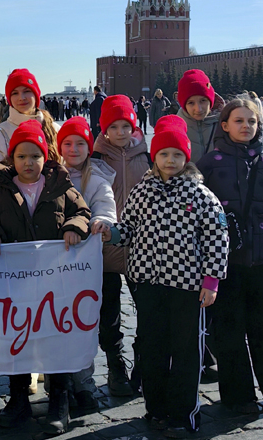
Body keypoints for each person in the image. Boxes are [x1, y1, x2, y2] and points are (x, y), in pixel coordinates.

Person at [102, 114, 229, 437]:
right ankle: (156, 409)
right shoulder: (142, 192)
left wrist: (211, 280)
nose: (170, 160)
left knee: (185, 351)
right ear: (154, 157)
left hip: (187, 285)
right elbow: (129, 228)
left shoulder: (200, 195)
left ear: (186, 158)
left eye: (176, 154)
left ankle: (183, 414)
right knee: (153, 348)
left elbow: (217, 238)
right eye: (163, 154)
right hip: (148, 283)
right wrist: (112, 233)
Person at [0, 120, 90, 434]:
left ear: (45, 157)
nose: (28, 162)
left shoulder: (61, 186)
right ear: (12, 158)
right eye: (22, 156)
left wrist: (73, 227)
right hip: (14, 283)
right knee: (17, 338)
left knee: (55, 338)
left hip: (54, 284)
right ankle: (18, 398)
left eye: (35, 156)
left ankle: (59, 400)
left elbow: (82, 213)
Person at [197, 97, 263, 420]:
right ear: (225, 125)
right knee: (228, 331)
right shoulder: (208, 166)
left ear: (260, 126)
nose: (246, 126)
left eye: (252, 121)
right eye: (239, 120)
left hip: (262, 261)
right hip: (225, 264)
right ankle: (237, 396)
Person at [91, 95, 150, 396]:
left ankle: (143, 365)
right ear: (104, 129)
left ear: (134, 126)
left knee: (148, 311)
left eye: (125, 125)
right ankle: (116, 366)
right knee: (109, 314)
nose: (120, 132)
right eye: (113, 127)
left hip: (142, 250)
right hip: (105, 250)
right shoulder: (95, 158)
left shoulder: (147, 156)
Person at [57, 116, 116, 412]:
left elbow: (105, 205)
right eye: (67, 143)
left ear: (89, 147)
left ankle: (84, 383)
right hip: (55, 266)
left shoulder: (97, 180)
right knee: (56, 323)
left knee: (83, 325)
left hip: (85, 267)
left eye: (80, 143)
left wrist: (102, 221)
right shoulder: (51, 176)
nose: (74, 149)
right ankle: (60, 384)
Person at [0, 68, 60, 189]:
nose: (21, 97)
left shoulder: (55, 130)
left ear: (36, 94)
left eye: (26, 91)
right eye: (15, 93)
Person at [176, 69, 223, 163]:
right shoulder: (175, 129)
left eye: (203, 101)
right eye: (191, 103)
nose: (198, 109)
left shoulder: (225, 125)